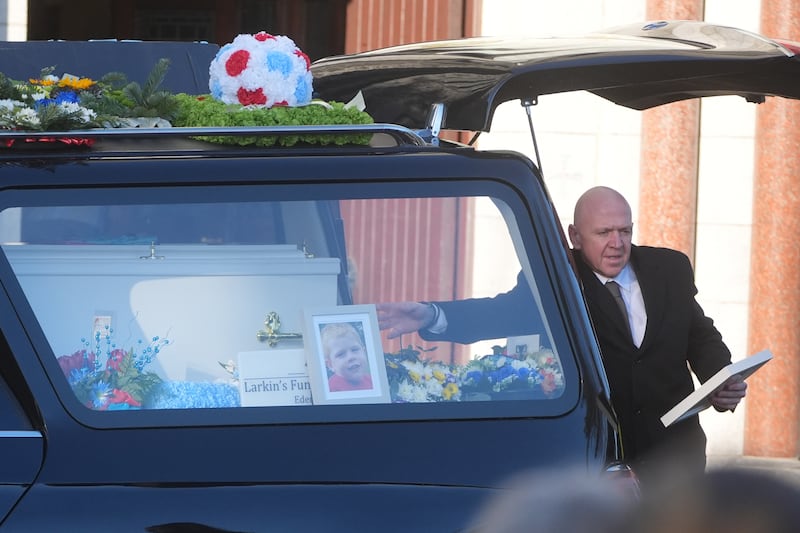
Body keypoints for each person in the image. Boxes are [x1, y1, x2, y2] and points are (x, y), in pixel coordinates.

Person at [377, 186, 747, 483]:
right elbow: (499, 313)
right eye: (603, 233)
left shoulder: (670, 268)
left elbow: (699, 334)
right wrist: (433, 314)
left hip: (674, 453)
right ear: (575, 235)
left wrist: (722, 378)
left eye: (625, 231)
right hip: (602, 458)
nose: (617, 243)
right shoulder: (558, 279)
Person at [320, 322, 374, 392]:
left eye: (355, 349)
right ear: (330, 365)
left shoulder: (372, 381)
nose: (351, 357)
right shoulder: (331, 389)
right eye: (341, 354)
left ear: (364, 352)